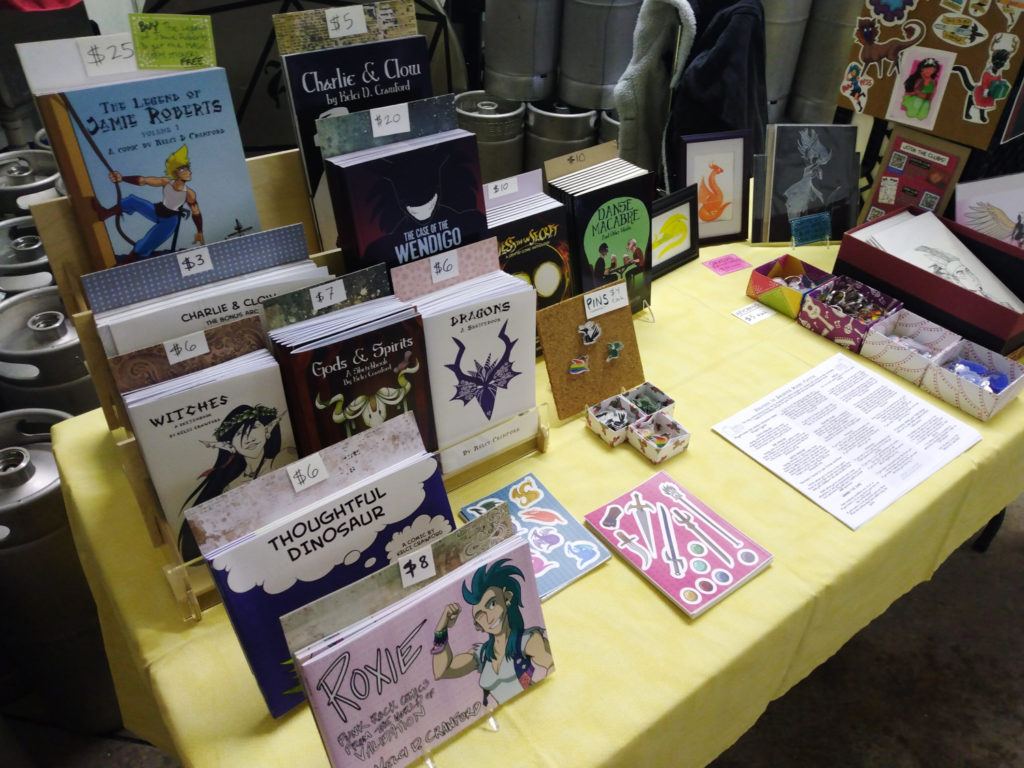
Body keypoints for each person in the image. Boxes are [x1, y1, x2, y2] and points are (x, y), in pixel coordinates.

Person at [432, 558, 554, 706]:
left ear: (507, 598)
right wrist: (441, 629)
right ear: (478, 625)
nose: (489, 618)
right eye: (480, 615)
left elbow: (550, 666)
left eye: (492, 604)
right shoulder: (483, 654)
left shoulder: (527, 641)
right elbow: (442, 671)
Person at [177, 404, 288, 559]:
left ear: (267, 430)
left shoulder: (285, 459)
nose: (248, 438)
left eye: (255, 427)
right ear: (230, 445)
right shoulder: (231, 487)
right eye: (239, 433)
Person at [90, 144, 204, 262]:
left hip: (170, 220)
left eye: (188, 169)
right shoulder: (166, 182)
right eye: (183, 169)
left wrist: (200, 231)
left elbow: (196, 212)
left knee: (145, 244)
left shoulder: (189, 193)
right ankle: (104, 214)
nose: (188, 172)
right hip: (157, 209)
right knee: (131, 200)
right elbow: (143, 181)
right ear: (175, 173)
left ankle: (126, 263)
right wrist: (122, 178)